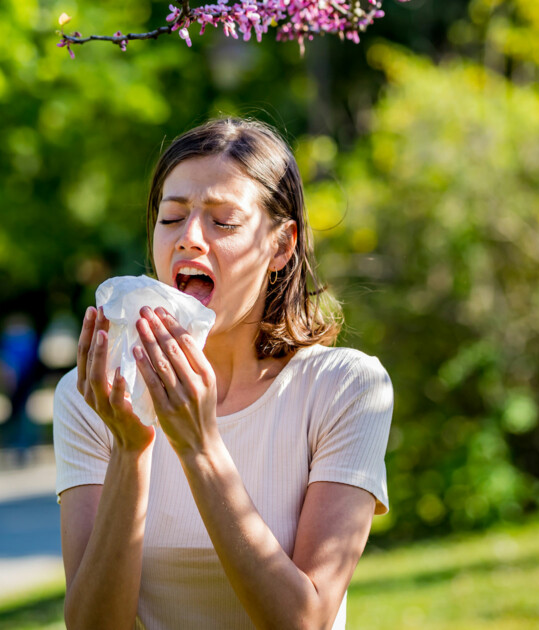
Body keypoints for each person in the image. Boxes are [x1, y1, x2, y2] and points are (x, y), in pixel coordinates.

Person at [53, 117, 393, 629]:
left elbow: (305, 622)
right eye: (171, 218)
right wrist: (131, 448)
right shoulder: (92, 397)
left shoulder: (346, 389)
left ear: (281, 246)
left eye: (223, 221)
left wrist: (200, 445)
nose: (189, 239)